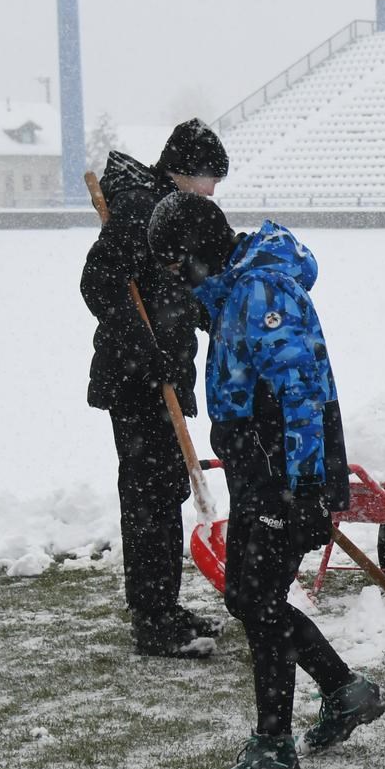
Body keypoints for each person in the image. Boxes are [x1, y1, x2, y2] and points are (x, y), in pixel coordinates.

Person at [147, 192, 385, 769]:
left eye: (178, 264)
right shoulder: (237, 291)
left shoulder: (262, 295)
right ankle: (341, 691)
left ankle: (276, 745)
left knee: (256, 599)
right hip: (262, 468)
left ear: (199, 252)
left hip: (285, 471)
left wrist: (305, 487)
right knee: (254, 597)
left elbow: (302, 394)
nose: (177, 277)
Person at [80, 119, 231, 658]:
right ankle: (153, 618)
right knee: (148, 499)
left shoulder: (173, 213)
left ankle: (163, 605)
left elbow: (174, 287)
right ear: (183, 172)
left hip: (160, 372)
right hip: (135, 379)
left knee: (162, 493)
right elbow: (98, 283)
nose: (213, 190)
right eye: (210, 177)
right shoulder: (142, 212)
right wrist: (144, 347)